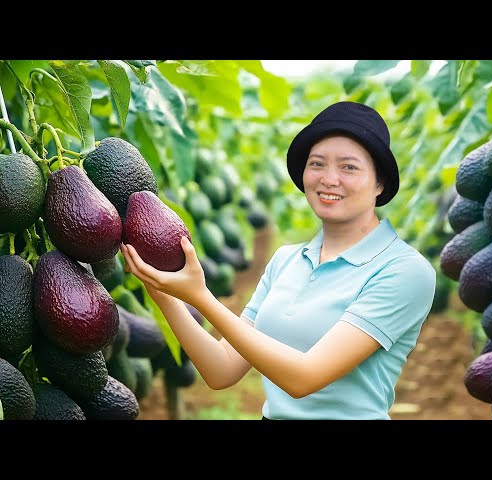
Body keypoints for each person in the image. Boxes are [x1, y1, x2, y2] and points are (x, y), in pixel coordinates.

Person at [121, 101, 436, 420]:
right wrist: (164, 294)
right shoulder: (287, 260)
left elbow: (304, 378)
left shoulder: (405, 271)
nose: (328, 179)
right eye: (317, 164)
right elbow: (222, 370)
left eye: (348, 167)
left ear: (379, 183)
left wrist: (200, 297)